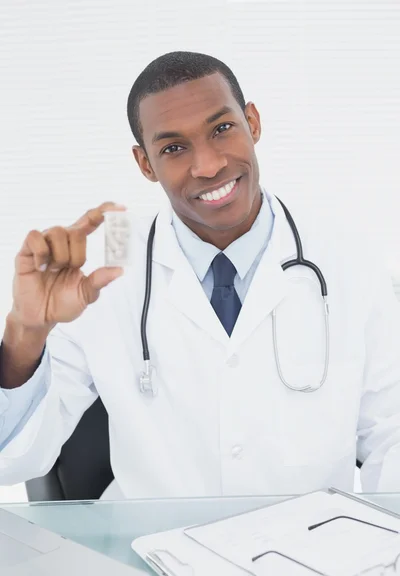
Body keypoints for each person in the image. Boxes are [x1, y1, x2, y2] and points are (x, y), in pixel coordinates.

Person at [1, 50, 400, 499]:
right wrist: (25, 332)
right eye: (173, 148)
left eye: (222, 129)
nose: (208, 166)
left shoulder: (349, 257)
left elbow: (392, 436)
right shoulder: (102, 272)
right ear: (145, 164)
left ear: (253, 123)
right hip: (151, 551)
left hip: (309, 555)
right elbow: (14, 458)